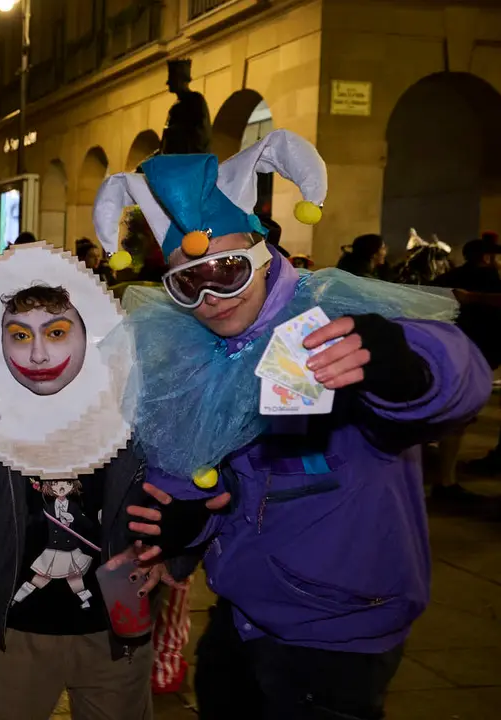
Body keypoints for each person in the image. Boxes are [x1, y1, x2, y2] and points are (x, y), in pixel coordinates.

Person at [94, 129, 491, 719]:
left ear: (262, 255)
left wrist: (399, 364)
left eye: (227, 269)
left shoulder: (334, 319)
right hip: (238, 620)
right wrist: (179, 532)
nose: (211, 296)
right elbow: (196, 473)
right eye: (188, 282)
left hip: (339, 634)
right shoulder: (192, 352)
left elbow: (459, 375)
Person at [0, 243, 184, 719]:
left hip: (115, 631)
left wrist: (174, 547)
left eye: (57, 331)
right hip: (5, 633)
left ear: (88, 332)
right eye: (20, 335)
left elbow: (189, 495)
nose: (39, 352)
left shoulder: (138, 403)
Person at [436, 235, 501, 479]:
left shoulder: (450, 277)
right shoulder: (489, 279)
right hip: (478, 351)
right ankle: (446, 478)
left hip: (451, 346)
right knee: (459, 414)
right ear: (486, 257)